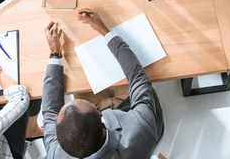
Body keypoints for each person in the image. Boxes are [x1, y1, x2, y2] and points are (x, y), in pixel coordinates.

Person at [42, 9, 164, 159]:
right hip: (129, 112)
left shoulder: (56, 154)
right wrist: (105, 31)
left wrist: (55, 53)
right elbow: (137, 77)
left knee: (81, 78)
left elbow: (50, 112)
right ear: (103, 121)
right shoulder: (141, 126)